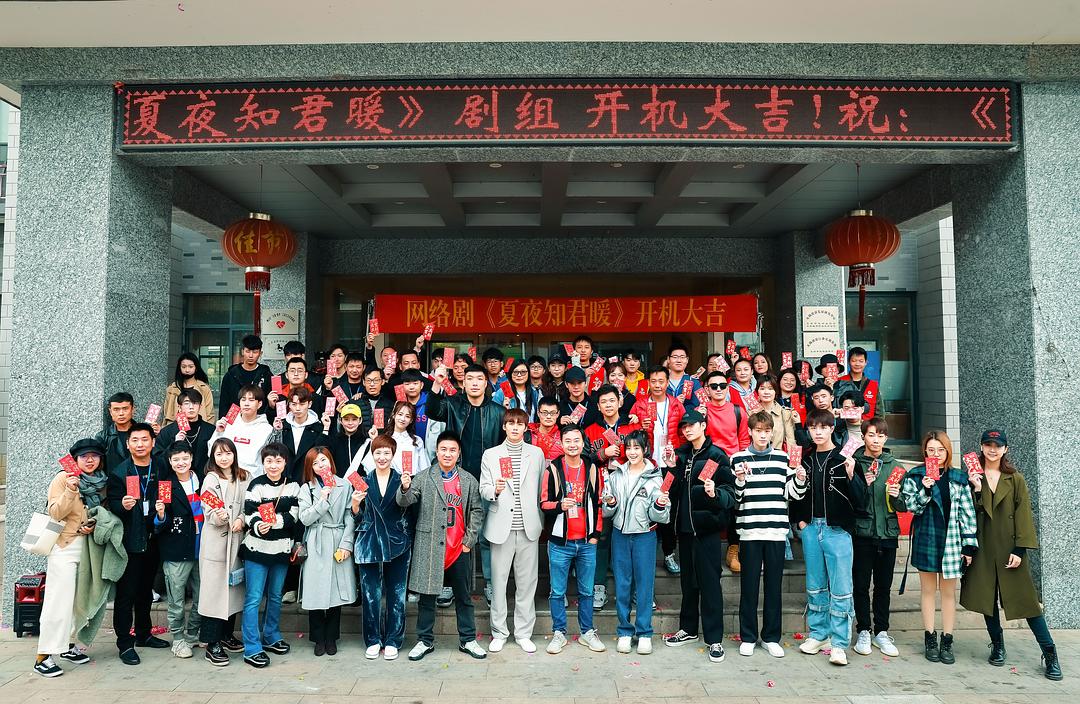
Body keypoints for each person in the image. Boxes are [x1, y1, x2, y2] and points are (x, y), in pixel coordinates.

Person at [960, 429, 1062, 680]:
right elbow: (966, 513)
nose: (992, 449)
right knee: (986, 599)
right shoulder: (971, 476)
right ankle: (997, 645)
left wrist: (1020, 549)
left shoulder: (1015, 478)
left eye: (997, 445)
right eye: (988, 444)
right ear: (981, 447)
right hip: (983, 545)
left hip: (1009, 548)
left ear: (1005, 449)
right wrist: (976, 489)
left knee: (1027, 602)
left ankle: (1050, 653)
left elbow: (1024, 513)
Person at [399, 431, 487, 661]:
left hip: (458, 547)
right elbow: (405, 501)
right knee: (427, 597)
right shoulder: (423, 477)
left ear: (459, 454)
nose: (448, 454)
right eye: (444, 449)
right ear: (436, 451)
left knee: (464, 597)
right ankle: (424, 640)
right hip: (430, 545)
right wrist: (405, 487)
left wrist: (469, 541)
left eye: (452, 450)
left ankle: (468, 639)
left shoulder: (468, 480)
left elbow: (477, 510)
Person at [792, 408, 867, 667]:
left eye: (823, 427)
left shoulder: (844, 459)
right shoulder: (806, 460)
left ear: (832, 428)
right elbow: (797, 495)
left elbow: (861, 500)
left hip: (837, 531)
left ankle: (839, 643)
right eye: (813, 428)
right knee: (815, 584)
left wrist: (852, 475)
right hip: (811, 528)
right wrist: (801, 522)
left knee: (841, 588)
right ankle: (819, 634)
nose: (818, 432)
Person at [730, 411, 805, 659]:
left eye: (767, 431)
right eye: (758, 431)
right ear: (750, 432)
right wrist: (740, 480)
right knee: (748, 587)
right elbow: (736, 498)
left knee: (774, 587)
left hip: (776, 531)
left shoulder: (783, 458)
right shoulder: (737, 459)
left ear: (772, 432)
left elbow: (793, 494)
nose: (763, 435)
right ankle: (748, 637)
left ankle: (771, 637)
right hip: (749, 530)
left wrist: (800, 479)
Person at [662, 410, 736, 665]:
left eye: (692, 425)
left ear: (703, 425)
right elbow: (669, 489)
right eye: (684, 426)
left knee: (710, 584)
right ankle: (688, 629)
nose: (687, 429)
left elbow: (729, 494)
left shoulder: (716, 456)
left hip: (707, 530)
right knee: (688, 584)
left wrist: (715, 493)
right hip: (684, 529)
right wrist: (670, 467)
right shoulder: (681, 455)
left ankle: (714, 639)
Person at [427, 363, 506, 599]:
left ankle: (490, 584)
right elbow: (432, 410)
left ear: (486, 383)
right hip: (456, 479)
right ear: (463, 382)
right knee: (451, 533)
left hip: (487, 482)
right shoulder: (453, 404)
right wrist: (437, 383)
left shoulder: (498, 412)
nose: (474, 383)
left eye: (479, 379)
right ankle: (448, 584)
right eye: (469, 378)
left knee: (487, 536)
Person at [33, 438, 110, 678]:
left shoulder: (102, 481)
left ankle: (66, 645)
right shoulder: (63, 478)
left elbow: (100, 512)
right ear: (75, 460)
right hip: (64, 546)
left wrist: (93, 524)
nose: (90, 460)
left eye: (94, 456)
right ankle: (44, 655)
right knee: (59, 600)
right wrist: (71, 489)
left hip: (88, 548)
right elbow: (55, 512)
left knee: (79, 601)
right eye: (84, 456)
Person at [901, 430, 978, 665]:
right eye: (931, 450)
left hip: (951, 540)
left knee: (948, 592)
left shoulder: (958, 478)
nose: (936, 454)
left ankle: (947, 639)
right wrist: (925, 489)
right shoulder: (916, 475)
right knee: (927, 590)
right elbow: (911, 507)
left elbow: (967, 513)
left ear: (948, 451)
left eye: (940, 450)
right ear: (925, 452)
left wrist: (969, 545)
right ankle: (930, 638)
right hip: (927, 537)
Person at [479, 409, 546, 654]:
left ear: (526, 428)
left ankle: (523, 633)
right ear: (504, 427)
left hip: (528, 526)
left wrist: (539, 517)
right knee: (498, 583)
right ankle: (499, 632)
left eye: (520, 424)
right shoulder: (491, 454)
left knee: (527, 583)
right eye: (511, 424)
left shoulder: (536, 454)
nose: (515, 428)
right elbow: (483, 488)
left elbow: (542, 489)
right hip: (501, 527)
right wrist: (495, 491)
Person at [539, 424, 607, 655]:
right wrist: (560, 505)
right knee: (557, 591)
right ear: (561, 443)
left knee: (587, 591)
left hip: (587, 541)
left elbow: (599, 503)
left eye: (576, 440)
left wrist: (596, 534)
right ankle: (559, 633)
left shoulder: (592, 468)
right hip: (560, 542)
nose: (572, 445)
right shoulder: (553, 469)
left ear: (583, 442)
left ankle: (587, 632)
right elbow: (543, 503)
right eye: (567, 440)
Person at [601, 429, 670, 655]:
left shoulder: (655, 477)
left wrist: (660, 505)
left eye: (637, 448)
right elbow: (607, 511)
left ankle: (644, 632)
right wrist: (610, 503)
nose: (632, 452)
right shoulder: (616, 475)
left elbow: (661, 515)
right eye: (629, 447)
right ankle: (624, 630)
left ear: (645, 450)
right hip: (620, 535)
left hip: (644, 536)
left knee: (644, 585)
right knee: (622, 584)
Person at [106, 422, 169, 664]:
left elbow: (167, 495)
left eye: (145, 439)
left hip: (154, 539)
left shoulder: (161, 466)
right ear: (128, 443)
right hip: (130, 541)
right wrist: (122, 505)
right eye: (135, 440)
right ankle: (125, 643)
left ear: (153, 442)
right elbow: (112, 505)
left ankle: (144, 634)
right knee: (127, 594)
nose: (140, 444)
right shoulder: (120, 472)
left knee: (145, 591)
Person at [239, 442, 300, 668]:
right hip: (256, 549)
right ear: (263, 463)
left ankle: (271, 635)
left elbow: (294, 514)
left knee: (275, 596)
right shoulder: (256, 484)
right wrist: (258, 525)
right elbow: (249, 513)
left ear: (285, 463)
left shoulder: (293, 485)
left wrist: (273, 523)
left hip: (281, 549)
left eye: (278, 461)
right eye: (269, 461)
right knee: (254, 598)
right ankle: (252, 647)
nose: (273, 465)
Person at [352, 434, 411, 661]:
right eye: (378, 452)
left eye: (387, 452)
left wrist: (406, 488)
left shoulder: (402, 479)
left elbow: (410, 510)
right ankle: (373, 639)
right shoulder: (362, 481)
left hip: (397, 542)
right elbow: (358, 518)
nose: (382, 457)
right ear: (372, 454)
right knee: (371, 595)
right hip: (369, 542)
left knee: (397, 594)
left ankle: (393, 640)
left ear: (393, 455)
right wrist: (355, 505)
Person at [851, 417, 905, 658]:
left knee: (883, 586)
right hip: (862, 533)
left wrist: (896, 496)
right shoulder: (853, 464)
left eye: (880, 435)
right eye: (871, 435)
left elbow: (904, 505)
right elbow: (849, 500)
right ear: (863, 436)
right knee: (861, 585)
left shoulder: (896, 467)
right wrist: (863, 485)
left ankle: (881, 631)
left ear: (886, 438)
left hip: (887, 534)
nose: (875, 440)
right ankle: (863, 630)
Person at [297, 447, 356, 657]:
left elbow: (349, 516)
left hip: (338, 538)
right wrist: (322, 500)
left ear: (330, 461)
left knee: (335, 593)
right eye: (315, 463)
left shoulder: (345, 484)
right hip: (316, 541)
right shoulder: (307, 488)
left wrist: (346, 544)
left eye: (323, 460)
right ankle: (317, 638)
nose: (321, 466)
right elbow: (305, 518)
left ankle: (331, 637)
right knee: (315, 591)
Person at [198, 438, 250, 667]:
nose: (224, 458)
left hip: (237, 541)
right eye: (219, 454)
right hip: (216, 544)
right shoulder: (210, 479)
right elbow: (208, 509)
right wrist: (219, 517)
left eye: (228, 453)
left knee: (233, 589)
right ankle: (212, 643)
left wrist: (242, 519)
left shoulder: (244, 476)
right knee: (214, 593)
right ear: (213, 457)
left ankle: (227, 635)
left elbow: (249, 506)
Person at [631, 365, 684, 576]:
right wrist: (641, 428)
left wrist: (678, 458)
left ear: (667, 382)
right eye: (653, 381)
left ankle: (669, 553)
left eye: (661, 381)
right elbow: (631, 437)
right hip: (648, 467)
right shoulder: (640, 405)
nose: (657, 385)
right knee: (644, 508)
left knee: (667, 508)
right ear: (648, 383)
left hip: (669, 466)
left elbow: (684, 432)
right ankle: (645, 557)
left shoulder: (676, 404)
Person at [154, 443, 203, 659]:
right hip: (176, 549)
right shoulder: (166, 485)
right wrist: (161, 514)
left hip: (203, 548)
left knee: (202, 596)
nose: (181, 463)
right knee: (176, 598)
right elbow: (160, 523)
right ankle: (178, 639)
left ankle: (192, 634)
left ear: (191, 458)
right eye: (176, 459)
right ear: (170, 462)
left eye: (184, 458)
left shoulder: (203, 481)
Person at [700, 369, 749, 573]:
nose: (719, 389)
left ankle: (733, 549)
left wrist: (741, 462)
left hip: (732, 461)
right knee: (708, 502)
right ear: (707, 390)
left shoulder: (738, 410)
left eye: (722, 385)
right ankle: (708, 549)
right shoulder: (703, 411)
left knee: (734, 506)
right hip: (709, 463)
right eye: (714, 386)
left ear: (728, 388)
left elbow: (744, 440)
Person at [209, 385, 275, 478]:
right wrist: (218, 432)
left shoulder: (267, 429)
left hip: (253, 479)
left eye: (251, 400)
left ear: (259, 404)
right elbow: (211, 452)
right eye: (243, 400)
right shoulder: (228, 424)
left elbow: (270, 459)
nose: (246, 404)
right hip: (226, 477)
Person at [156, 388, 214, 476]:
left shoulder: (210, 430)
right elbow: (158, 461)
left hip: (204, 478)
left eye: (195, 403)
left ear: (200, 406)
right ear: (179, 407)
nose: (191, 407)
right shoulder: (167, 432)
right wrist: (174, 443)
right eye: (187, 403)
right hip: (175, 479)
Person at [281, 386, 329, 482]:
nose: (297, 408)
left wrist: (326, 428)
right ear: (289, 405)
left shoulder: (318, 427)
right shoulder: (283, 426)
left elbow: (322, 452)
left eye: (302, 404)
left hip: (309, 478)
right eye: (294, 404)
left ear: (309, 404)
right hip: (286, 477)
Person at [218, 335, 273, 418]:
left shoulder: (266, 374)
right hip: (235, 420)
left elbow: (273, 401)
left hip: (259, 420)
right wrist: (223, 421)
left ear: (260, 353)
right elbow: (224, 402)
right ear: (242, 351)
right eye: (248, 351)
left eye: (255, 352)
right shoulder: (231, 375)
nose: (251, 355)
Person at [164, 353, 217, 424]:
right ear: (179, 368)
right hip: (176, 427)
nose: (187, 370)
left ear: (196, 368)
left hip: (199, 427)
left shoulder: (204, 388)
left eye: (190, 367)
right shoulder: (172, 388)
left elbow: (210, 414)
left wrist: (207, 429)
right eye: (183, 367)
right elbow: (166, 412)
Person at [96, 392, 135, 472]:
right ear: (110, 411)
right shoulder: (103, 437)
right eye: (116, 409)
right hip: (113, 479)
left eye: (125, 409)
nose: (121, 413)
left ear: (133, 409)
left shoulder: (144, 433)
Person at [838, 347, 880, 422]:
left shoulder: (873, 385)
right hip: (845, 426)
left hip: (867, 427)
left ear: (866, 362)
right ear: (848, 362)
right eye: (854, 361)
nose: (857, 364)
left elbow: (879, 413)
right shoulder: (839, 382)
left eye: (861, 361)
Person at [755, 376, 796, 451]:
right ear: (757, 391)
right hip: (756, 455)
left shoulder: (785, 413)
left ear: (775, 391)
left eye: (770, 389)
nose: (766, 392)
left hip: (778, 455)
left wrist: (791, 458)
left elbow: (791, 440)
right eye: (762, 388)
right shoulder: (751, 413)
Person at [327, 403, 366, 475]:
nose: (350, 423)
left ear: (360, 420)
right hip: (338, 481)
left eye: (354, 419)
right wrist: (325, 428)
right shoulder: (334, 441)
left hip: (362, 481)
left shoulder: (366, 441)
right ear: (340, 420)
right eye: (346, 419)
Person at [665, 342, 702, 413]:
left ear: (687, 360)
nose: (679, 360)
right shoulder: (661, 382)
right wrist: (675, 402)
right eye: (675, 357)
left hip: (687, 419)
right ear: (668, 359)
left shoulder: (694, 382)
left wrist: (680, 408)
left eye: (682, 357)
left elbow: (698, 405)